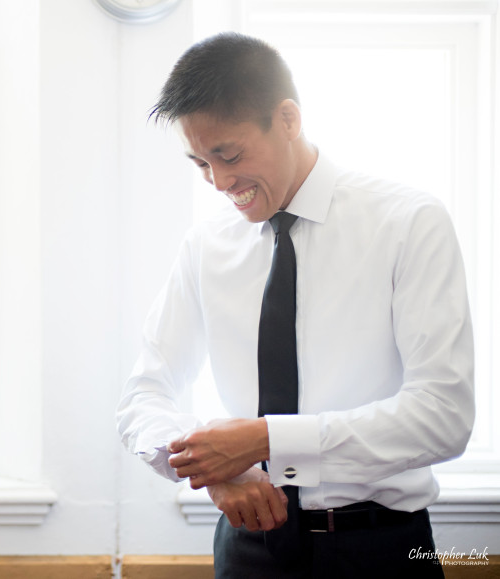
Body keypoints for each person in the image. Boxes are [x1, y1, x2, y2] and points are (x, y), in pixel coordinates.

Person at [116, 32, 474, 578]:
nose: (219, 182)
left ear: (287, 119)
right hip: (247, 550)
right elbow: (144, 396)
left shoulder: (408, 223)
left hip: (381, 548)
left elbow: (443, 416)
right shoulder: (205, 247)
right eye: (200, 164)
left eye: (228, 155)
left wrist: (264, 441)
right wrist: (213, 468)